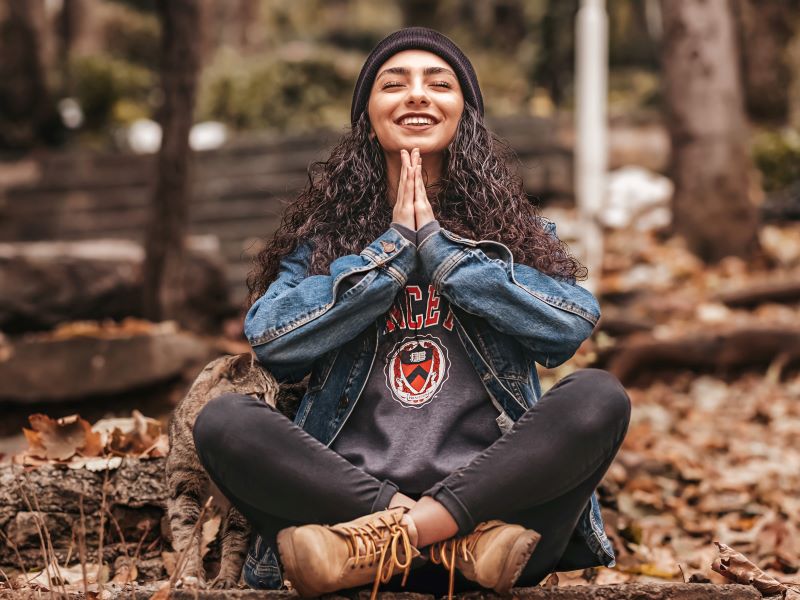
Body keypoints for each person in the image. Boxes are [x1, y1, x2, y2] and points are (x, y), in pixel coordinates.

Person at [193, 26, 631, 600]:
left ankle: (412, 534)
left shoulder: (517, 236)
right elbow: (272, 340)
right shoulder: (323, 244)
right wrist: (392, 253)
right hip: (339, 519)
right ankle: (428, 538)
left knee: (600, 396)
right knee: (224, 421)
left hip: (500, 530)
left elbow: (569, 325)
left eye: (439, 83)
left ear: (464, 113)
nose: (417, 95)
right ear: (369, 116)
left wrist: (444, 255)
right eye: (393, 83)